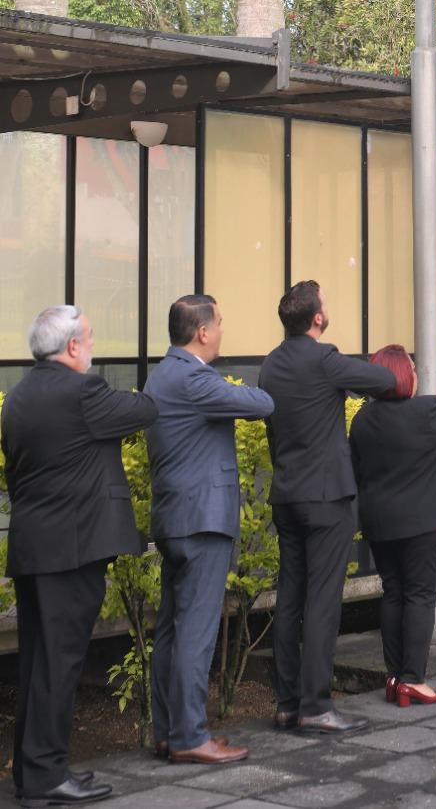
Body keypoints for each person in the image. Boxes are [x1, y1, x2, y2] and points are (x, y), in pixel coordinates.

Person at [3, 307, 155, 807]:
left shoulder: (19, 397)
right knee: (60, 663)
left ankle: (34, 773)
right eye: (89, 338)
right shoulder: (83, 392)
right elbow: (143, 411)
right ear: (71, 347)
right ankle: (46, 777)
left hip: (34, 546)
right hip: (72, 550)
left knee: (38, 663)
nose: (91, 346)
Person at [259, 280, 397, 735]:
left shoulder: (271, 364)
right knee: (321, 602)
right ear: (317, 318)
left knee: (290, 599)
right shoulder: (325, 358)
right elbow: (385, 380)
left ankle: (287, 703)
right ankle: (317, 705)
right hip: (327, 498)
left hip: (287, 494)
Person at [144, 295, 274, 764]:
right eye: (219, 322)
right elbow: (261, 403)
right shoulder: (195, 377)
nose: (222, 329)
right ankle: (191, 738)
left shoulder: (161, 374)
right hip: (202, 521)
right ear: (201, 332)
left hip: (176, 519)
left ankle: (170, 732)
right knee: (195, 634)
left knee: (173, 635)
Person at [349, 345, 436, 707]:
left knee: (392, 592)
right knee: (421, 596)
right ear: (406, 375)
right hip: (424, 521)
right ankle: (413, 679)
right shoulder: (428, 410)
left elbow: (357, 468)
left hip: (379, 520)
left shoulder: (363, 419)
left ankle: (394, 676)